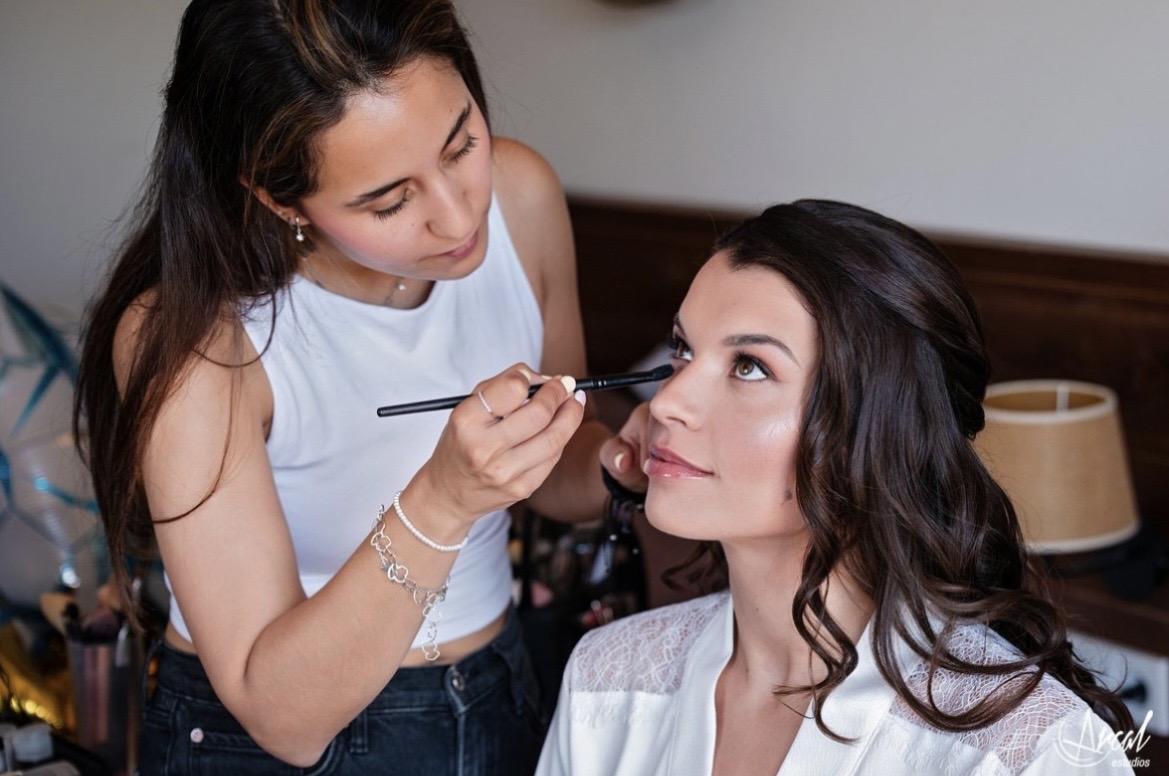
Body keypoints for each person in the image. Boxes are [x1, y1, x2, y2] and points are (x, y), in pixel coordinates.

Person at [73, 1, 635, 772]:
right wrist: (443, 498)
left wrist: (624, 462)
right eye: (389, 200)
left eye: (462, 144)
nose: (457, 216)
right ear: (277, 198)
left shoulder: (522, 197)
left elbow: (554, 469)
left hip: (496, 691)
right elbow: (282, 717)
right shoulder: (196, 338)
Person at [536, 200, 1136, 776]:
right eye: (682, 350)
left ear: (875, 432)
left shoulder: (1025, 751)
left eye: (749, 366)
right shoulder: (607, 681)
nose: (667, 401)